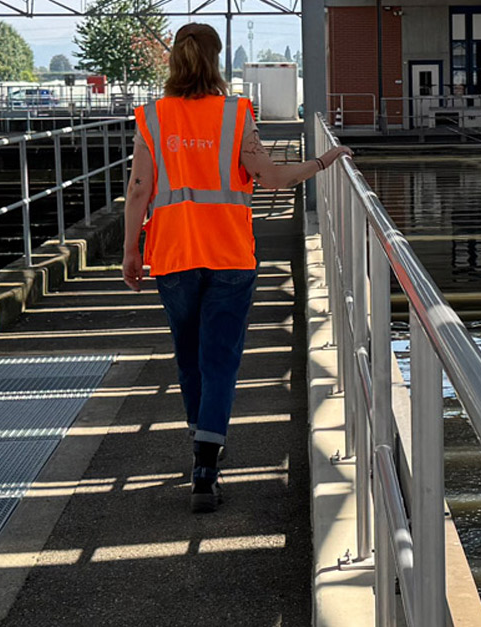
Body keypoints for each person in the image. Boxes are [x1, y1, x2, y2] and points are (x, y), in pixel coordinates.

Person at [121, 22, 352, 513]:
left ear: (175, 59)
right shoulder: (235, 114)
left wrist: (130, 250)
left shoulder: (153, 117)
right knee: (220, 359)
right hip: (229, 255)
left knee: (189, 357)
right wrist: (322, 162)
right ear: (216, 60)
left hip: (173, 256)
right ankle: (206, 467)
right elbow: (271, 177)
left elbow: (139, 189)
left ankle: (200, 441)